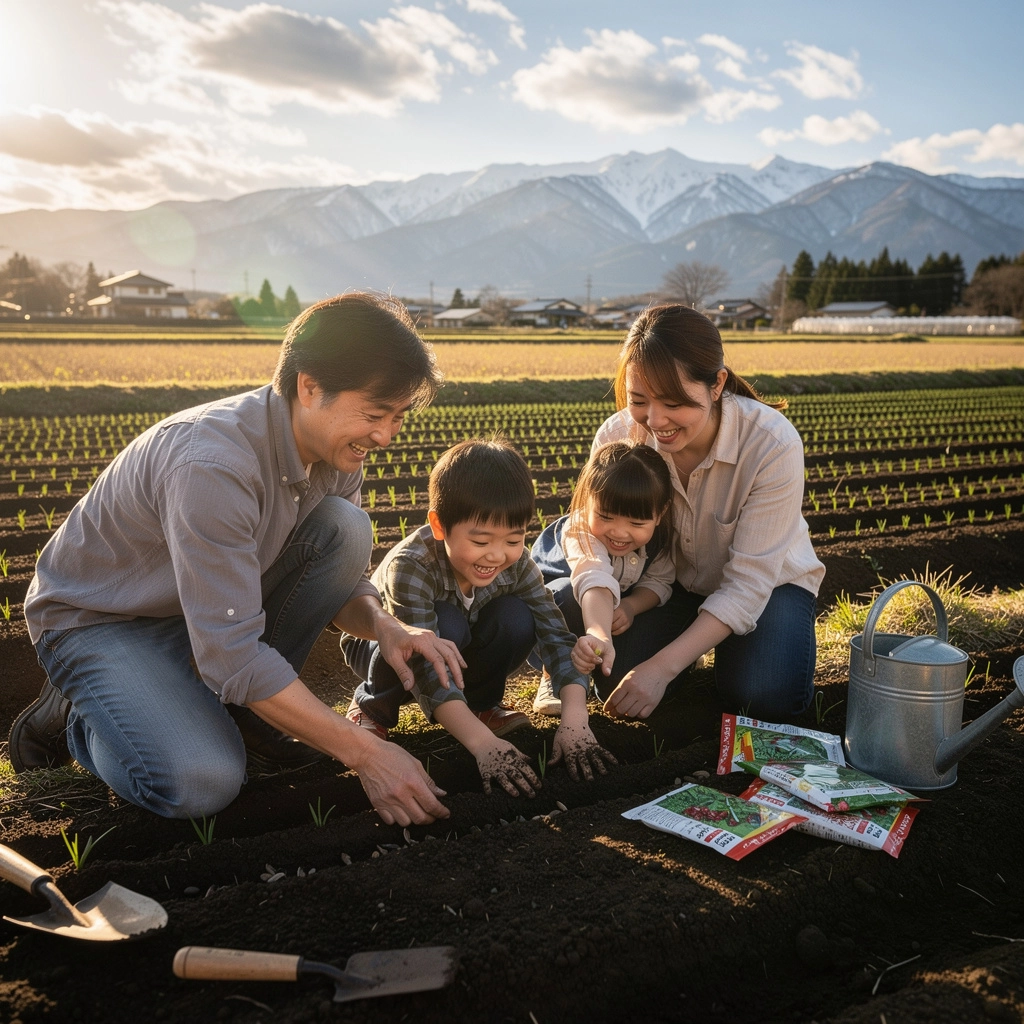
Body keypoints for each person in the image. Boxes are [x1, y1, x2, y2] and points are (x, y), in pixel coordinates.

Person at [8, 293, 467, 827]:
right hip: (103, 622)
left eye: (397, 417)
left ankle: (245, 717)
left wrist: (386, 628)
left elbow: (337, 586)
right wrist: (365, 753)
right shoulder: (212, 464)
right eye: (373, 414)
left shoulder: (337, 451)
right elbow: (232, 655)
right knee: (200, 783)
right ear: (309, 387)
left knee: (344, 527)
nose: (385, 435)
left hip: (202, 613)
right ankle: (83, 717)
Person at [588, 304, 824, 721]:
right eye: (640, 400)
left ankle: (721, 653)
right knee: (616, 675)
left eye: (674, 403)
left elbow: (749, 583)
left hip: (771, 588)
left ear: (716, 385)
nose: (655, 421)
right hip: (671, 583)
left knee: (761, 695)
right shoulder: (620, 436)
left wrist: (661, 668)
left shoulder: (771, 443)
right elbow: (589, 539)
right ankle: (697, 648)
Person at [343, 438, 616, 794]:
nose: (497, 555)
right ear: (440, 526)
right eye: (482, 541)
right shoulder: (411, 566)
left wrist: (576, 717)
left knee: (517, 617)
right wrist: (482, 745)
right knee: (446, 624)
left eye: (513, 539)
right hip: (381, 646)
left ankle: (481, 705)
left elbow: (554, 632)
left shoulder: (517, 565)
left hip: (459, 640)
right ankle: (372, 706)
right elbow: (425, 664)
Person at [528, 440, 675, 716]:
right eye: (605, 516)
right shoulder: (580, 530)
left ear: (660, 513)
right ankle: (553, 676)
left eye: (636, 523)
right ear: (588, 502)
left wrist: (631, 607)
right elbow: (593, 577)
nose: (619, 533)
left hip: (609, 608)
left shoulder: (661, 539)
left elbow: (659, 583)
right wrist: (599, 634)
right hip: (564, 600)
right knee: (562, 597)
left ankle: (593, 663)